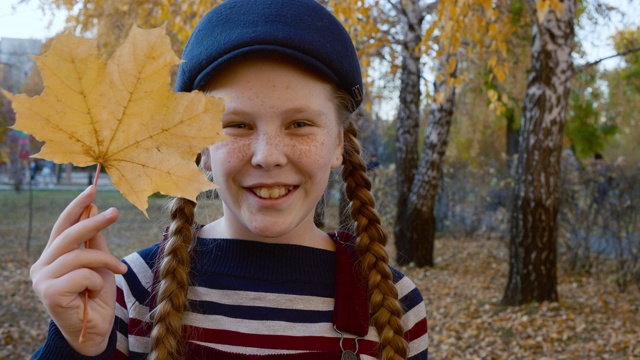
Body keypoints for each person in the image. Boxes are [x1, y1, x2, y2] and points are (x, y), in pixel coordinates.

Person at [29, 1, 428, 359]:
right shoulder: (128, 290)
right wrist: (75, 345)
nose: (267, 155)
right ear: (199, 146)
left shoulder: (392, 304)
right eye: (236, 125)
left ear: (338, 142)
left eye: (300, 124)